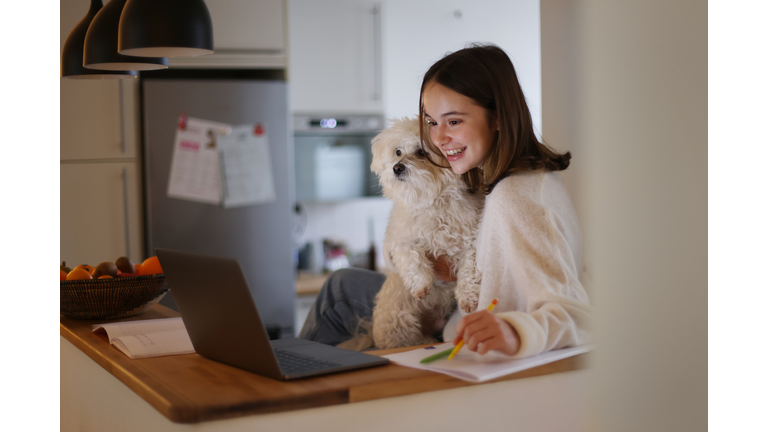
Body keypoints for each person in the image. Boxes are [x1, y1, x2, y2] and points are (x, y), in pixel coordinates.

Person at [300, 43, 590, 358]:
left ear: (498, 118)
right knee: (341, 283)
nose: (437, 138)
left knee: (337, 295)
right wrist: (445, 268)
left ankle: (295, 388)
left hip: (458, 332)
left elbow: (574, 313)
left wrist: (517, 332)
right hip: (449, 309)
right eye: (431, 121)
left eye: (453, 121)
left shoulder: (516, 197)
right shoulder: (493, 176)